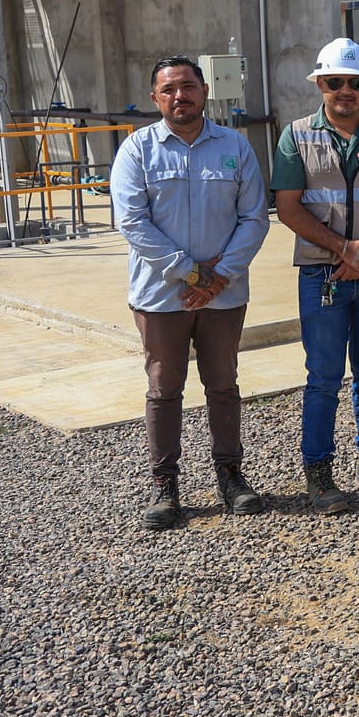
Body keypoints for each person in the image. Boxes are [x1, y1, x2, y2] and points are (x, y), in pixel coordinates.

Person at [110, 57, 271, 531]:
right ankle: (165, 486)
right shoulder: (137, 151)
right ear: (155, 98)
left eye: (188, 86)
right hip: (162, 297)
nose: (180, 96)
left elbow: (255, 217)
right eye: (169, 89)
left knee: (223, 385)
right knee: (164, 389)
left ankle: (230, 475)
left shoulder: (234, 147)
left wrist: (219, 276)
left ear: (204, 91)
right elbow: (132, 222)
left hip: (223, 296)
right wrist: (190, 275)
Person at [271, 38, 359, 514]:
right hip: (321, 273)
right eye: (334, 82)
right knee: (324, 377)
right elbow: (287, 207)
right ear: (320, 85)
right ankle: (319, 475)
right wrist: (342, 249)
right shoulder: (295, 136)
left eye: (354, 82)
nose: (345, 91)